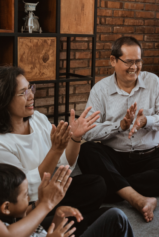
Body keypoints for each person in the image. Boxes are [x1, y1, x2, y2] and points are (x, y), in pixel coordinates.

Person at [78, 36, 159, 223]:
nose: (134, 67)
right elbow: (88, 131)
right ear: (113, 60)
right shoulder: (100, 90)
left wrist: (147, 121)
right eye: (128, 62)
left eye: (138, 61)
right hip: (115, 156)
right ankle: (136, 197)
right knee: (88, 151)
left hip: (149, 157)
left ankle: (115, 186)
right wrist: (119, 126)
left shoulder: (153, 82)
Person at [0, 66, 106, 235]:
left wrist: (75, 137)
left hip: (49, 193)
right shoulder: (2, 143)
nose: (31, 96)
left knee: (96, 185)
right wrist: (55, 150)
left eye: (30, 88)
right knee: (100, 213)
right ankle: (57, 222)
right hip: (24, 206)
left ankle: (61, 221)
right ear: (4, 101)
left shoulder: (38, 119)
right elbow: (26, 189)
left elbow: (66, 163)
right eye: (22, 93)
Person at [0, 164, 134, 237]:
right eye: (25, 195)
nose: (29, 198)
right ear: (6, 207)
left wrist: (55, 215)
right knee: (116, 217)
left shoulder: (13, 220)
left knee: (104, 212)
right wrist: (46, 204)